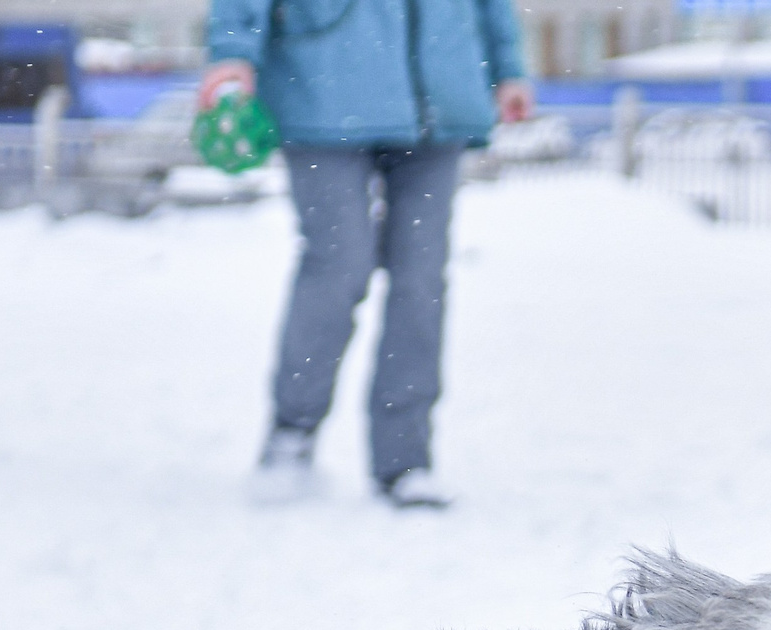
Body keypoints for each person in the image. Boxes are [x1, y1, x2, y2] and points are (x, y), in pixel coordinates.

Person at [200, 0, 532, 509]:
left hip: (439, 97)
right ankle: (293, 432)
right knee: (338, 266)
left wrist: (507, 68)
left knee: (420, 279)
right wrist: (232, 53)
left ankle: (406, 460)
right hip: (321, 86)